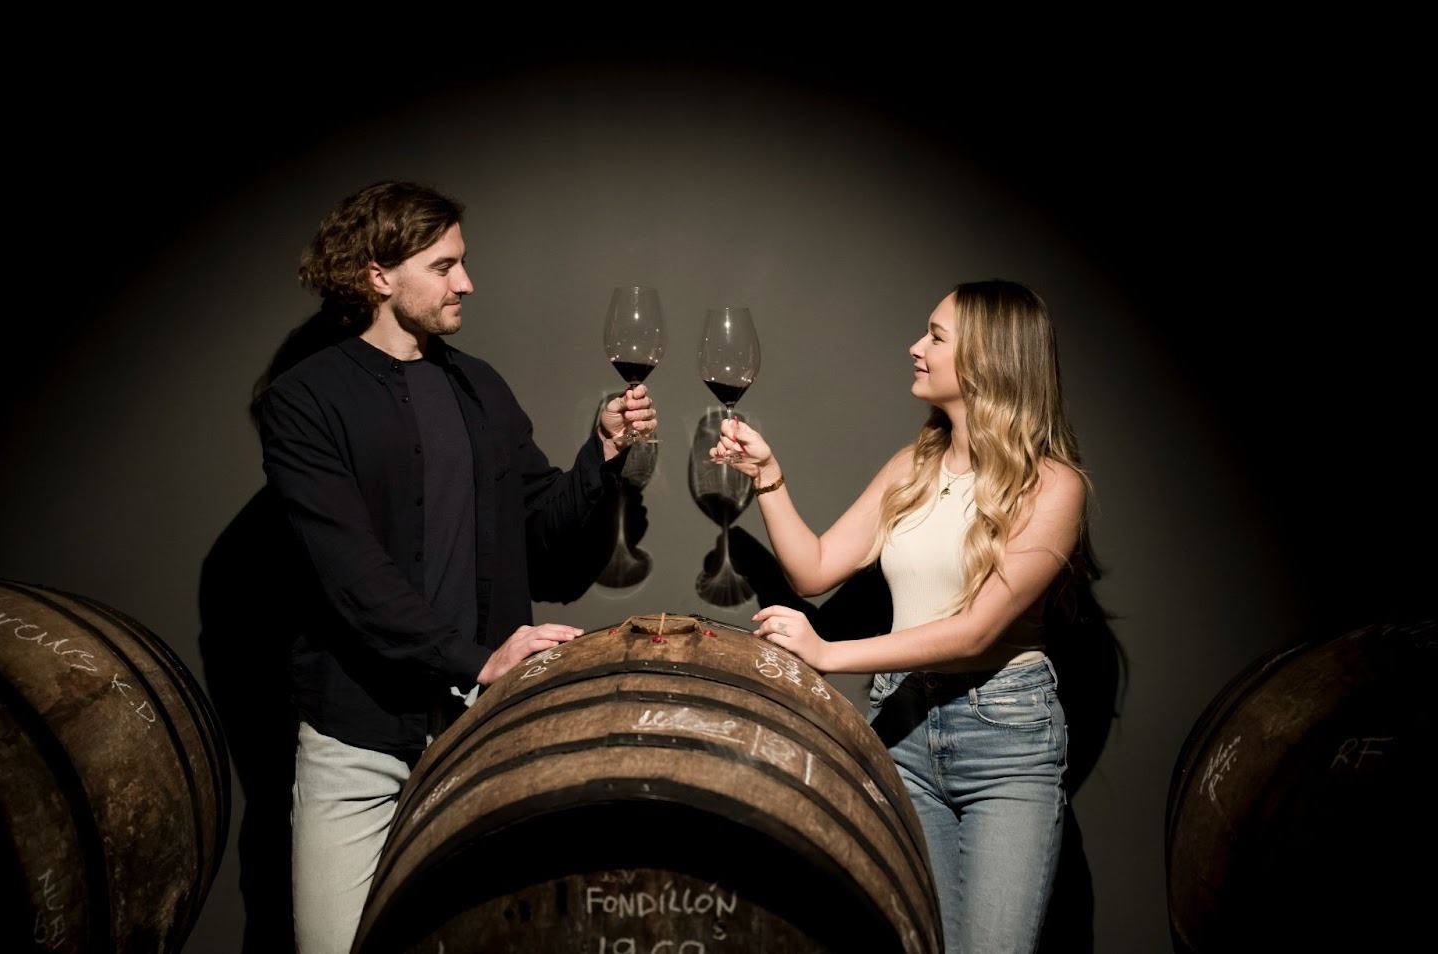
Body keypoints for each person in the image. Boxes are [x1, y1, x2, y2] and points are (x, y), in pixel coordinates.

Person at [256, 179, 657, 954]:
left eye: (462, 263)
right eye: (443, 267)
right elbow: (352, 577)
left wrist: (601, 452)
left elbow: (544, 536)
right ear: (378, 274)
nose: (466, 283)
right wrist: (477, 662)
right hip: (361, 737)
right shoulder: (304, 402)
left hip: (482, 735)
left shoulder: (480, 387)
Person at [714, 279, 1099, 954]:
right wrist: (769, 479)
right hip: (904, 730)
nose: (915, 347)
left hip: (1004, 742)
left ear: (986, 360)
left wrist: (829, 653)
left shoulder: (1053, 486)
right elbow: (816, 567)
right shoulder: (912, 467)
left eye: (936, 336)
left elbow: (976, 630)